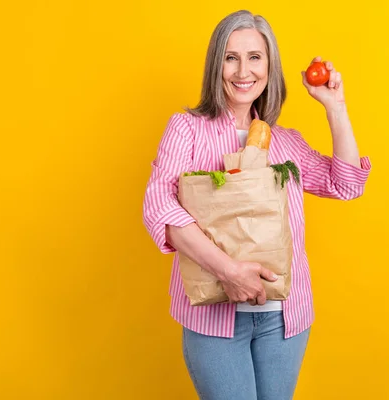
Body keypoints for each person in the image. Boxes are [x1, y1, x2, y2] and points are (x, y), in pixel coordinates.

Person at [142, 9, 372, 400]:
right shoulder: (187, 130)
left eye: (254, 57)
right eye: (230, 57)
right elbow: (159, 208)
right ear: (217, 65)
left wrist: (336, 107)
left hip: (284, 318)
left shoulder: (286, 142)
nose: (242, 71)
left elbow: (345, 183)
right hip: (214, 319)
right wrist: (228, 272)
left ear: (270, 67)